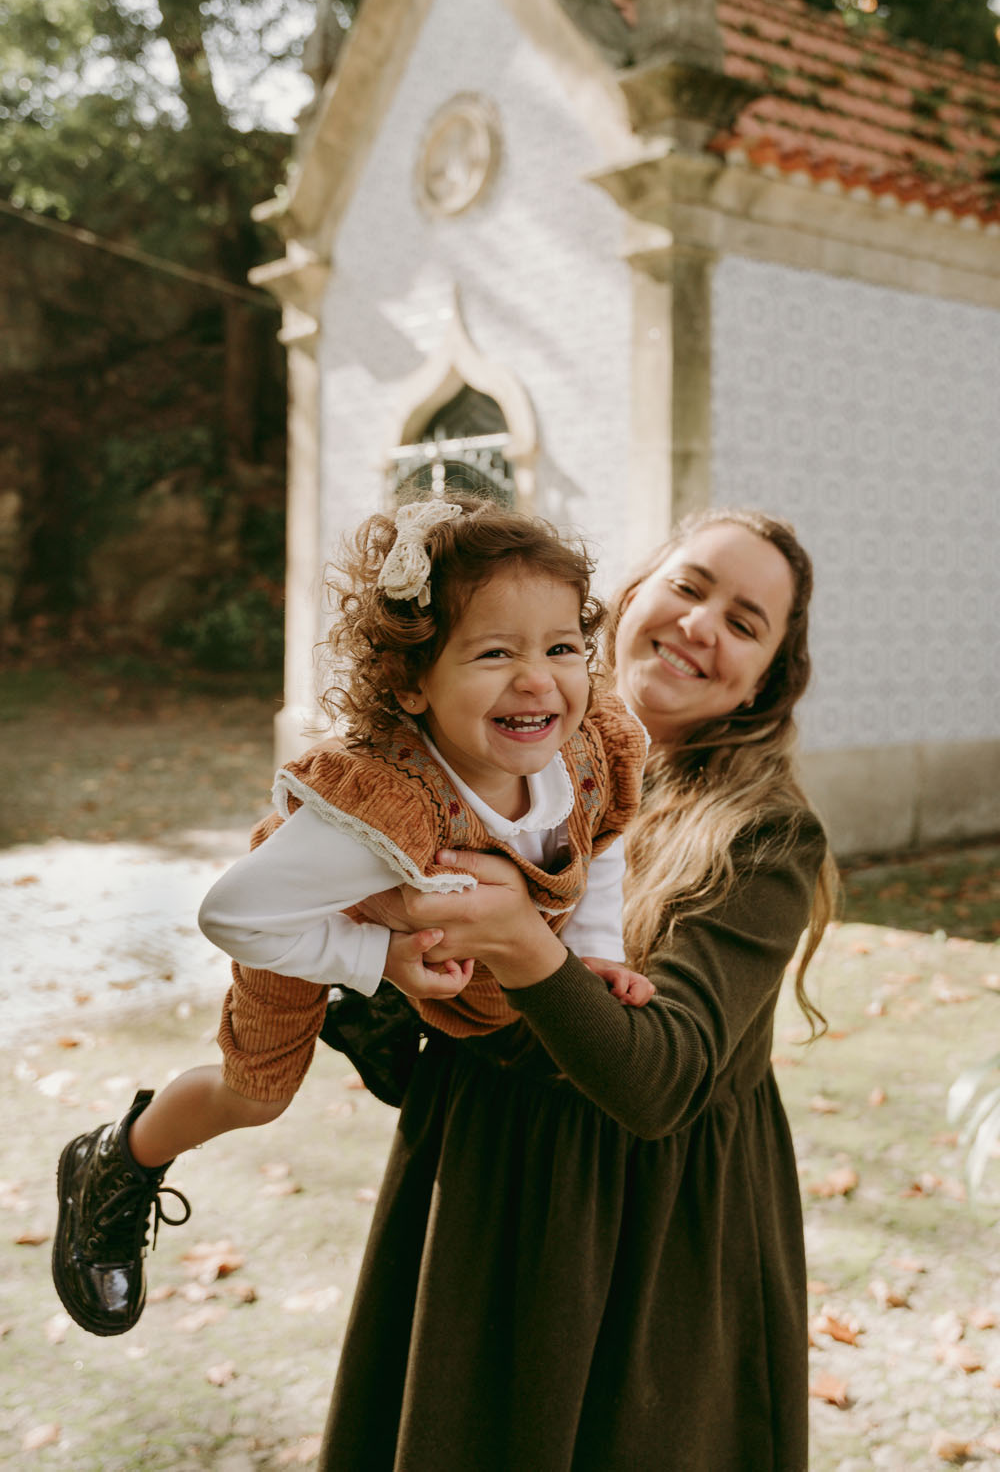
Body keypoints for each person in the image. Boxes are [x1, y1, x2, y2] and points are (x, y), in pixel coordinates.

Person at [314, 506, 839, 1472]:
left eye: (745, 621)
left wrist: (521, 943)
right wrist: (373, 943)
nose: (700, 623)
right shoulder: (497, 765)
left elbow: (660, 1082)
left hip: (657, 1250)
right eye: (688, 585)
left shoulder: (763, 837)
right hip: (482, 1195)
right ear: (631, 598)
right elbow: (410, 1040)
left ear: (768, 679)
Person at [52, 496, 652, 1339]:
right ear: (412, 682)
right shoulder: (385, 816)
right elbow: (234, 914)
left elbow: (610, 832)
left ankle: (374, 1013)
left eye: (561, 647)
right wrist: (376, 957)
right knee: (256, 1094)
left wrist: (592, 947)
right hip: (303, 917)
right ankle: (117, 1156)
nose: (537, 678)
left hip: (426, 932)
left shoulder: (586, 754)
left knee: (492, 1007)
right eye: (493, 652)